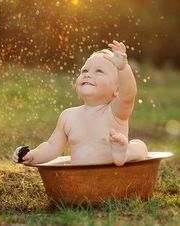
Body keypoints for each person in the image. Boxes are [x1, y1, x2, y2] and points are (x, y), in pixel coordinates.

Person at [12, 40, 148, 166]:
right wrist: (32, 155)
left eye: (99, 71)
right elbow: (51, 147)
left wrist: (123, 69)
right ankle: (125, 152)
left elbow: (128, 95)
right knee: (139, 145)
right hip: (80, 180)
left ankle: (124, 152)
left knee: (139, 146)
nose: (88, 74)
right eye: (85, 70)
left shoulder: (114, 112)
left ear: (117, 89)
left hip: (114, 175)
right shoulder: (68, 116)